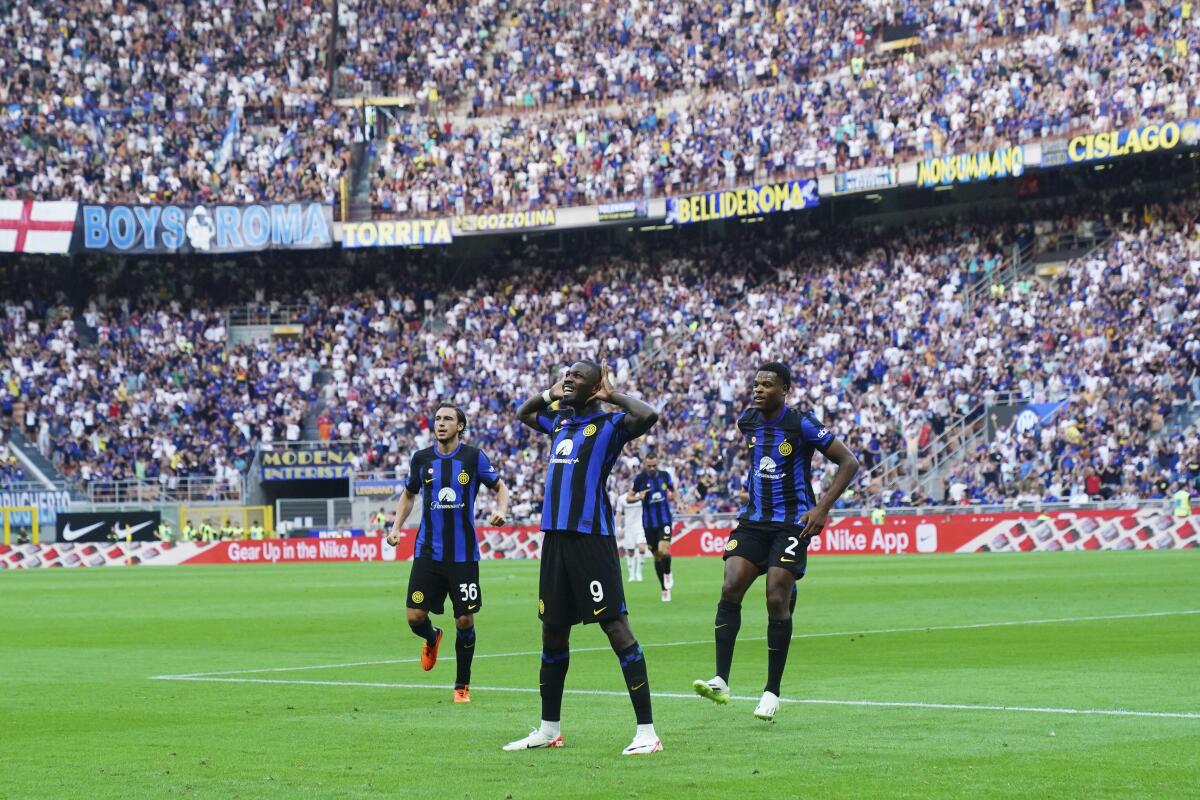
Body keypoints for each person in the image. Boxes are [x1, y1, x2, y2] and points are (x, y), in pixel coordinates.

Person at [504, 361, 662, 755]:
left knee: (615, 627)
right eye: (566, 374)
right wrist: (549, 394)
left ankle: (647, 733)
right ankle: (548, 730)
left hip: (591, 539)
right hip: (555, 539)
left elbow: (648, 415)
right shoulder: (558, 423)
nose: (568, 378)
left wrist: (613, 396)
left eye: (577, 376)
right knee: (552, 631)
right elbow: (524, 413)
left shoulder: (610, 426)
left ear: (594, 387)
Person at [693, 362, 859, 722]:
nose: (758, 389)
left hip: (791, 523)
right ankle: (721, 679)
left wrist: (821, 509)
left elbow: (849, 462)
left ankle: (772, 690)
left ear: (784, 389)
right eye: (756, 384)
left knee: (774, 596)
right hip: (754, 522)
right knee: (731, 584)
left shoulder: (801, 423)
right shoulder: (747, 421)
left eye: (767, 384)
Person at [386, 405, 509, 704]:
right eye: (438, 419)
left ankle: (461, 686)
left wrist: (501, 510)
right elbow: (409, 493)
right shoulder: (422, 459)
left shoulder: (473, 457)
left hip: (463, 555)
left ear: (461, 426)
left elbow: (500, 487)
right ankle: (432, 637)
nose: (441, 424)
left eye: (448, 419)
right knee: (415, 617)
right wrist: (396, 526)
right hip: (428, 551)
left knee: (465, 620)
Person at [631, 453, 676, 601]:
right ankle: (664, 589)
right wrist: (638, 497)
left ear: (657, 463)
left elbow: (673, 490)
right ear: (645, 464)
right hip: (648, 524)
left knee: (663, 551)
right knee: (656, 556)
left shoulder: (664, 475)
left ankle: (668, 573)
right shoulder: (640, 479)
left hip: (664, 521)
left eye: (654, 465)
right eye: (649, 465)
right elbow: (628, 497)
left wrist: (678, 501)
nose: (651, 468)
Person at [619, 488, 647, 582]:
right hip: (629, 528)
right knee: (630, 551)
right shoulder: (622, 498)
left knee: (642, 549)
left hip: (641, 527)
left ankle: (639, 573)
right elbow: (618, 513)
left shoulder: (642, 496)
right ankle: (631, 575)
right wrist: (618, 528)